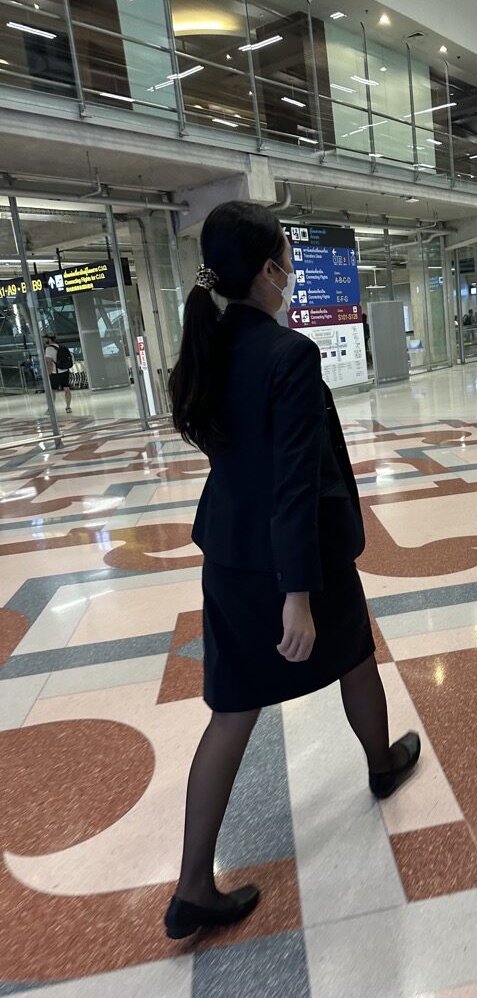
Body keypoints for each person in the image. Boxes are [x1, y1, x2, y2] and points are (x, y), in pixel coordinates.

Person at [165, 201, 420, 940]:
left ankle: (192, 886)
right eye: (287, 262)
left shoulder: (209, 345)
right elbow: (296, 483)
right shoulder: (290, 355)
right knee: (355, 655)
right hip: (299, 556)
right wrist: (297, 594)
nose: (291, 275)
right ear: (269, 271)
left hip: (229, 555)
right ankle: (380, 764)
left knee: (232, 709)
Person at [43, 334, 72, 413]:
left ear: (49, 339)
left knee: (52, 391)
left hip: (54, 373)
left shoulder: (49, 349)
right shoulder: (61, 347)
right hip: (65, 371)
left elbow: (49, 362)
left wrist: (48, 374)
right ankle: (68, 407)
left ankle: (51, 408)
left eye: (45, 339)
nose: (44, 341)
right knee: (67, 389)